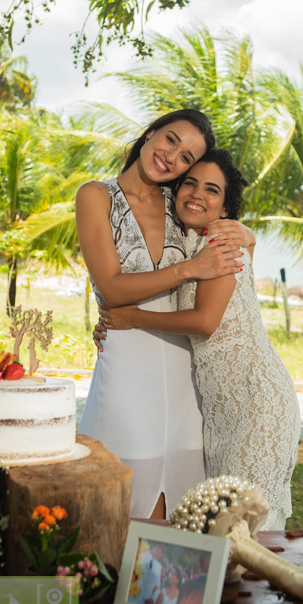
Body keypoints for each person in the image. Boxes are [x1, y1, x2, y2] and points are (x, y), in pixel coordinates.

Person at [97, 150, 300, 530]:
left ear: (225, 208)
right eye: (190, 183)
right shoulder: (190, 246)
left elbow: (205, 322)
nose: (196, 194)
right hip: (221, 408)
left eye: (211, 190)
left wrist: (132, 318)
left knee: (245, 524)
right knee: (223, 525)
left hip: (257, 401)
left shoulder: (221, 246)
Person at [76, 109, 254, 519]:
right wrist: (190, 268)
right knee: (118, 500)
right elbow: (113, 287)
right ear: (151, 132)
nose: (173, 157)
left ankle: (166, 586)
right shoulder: (96, 196)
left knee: (181, 511)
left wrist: (249, 234)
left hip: (183, 371)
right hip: (125, 364)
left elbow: (228, 231)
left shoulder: (181, 203)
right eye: (171, 140)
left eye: (188, 157)